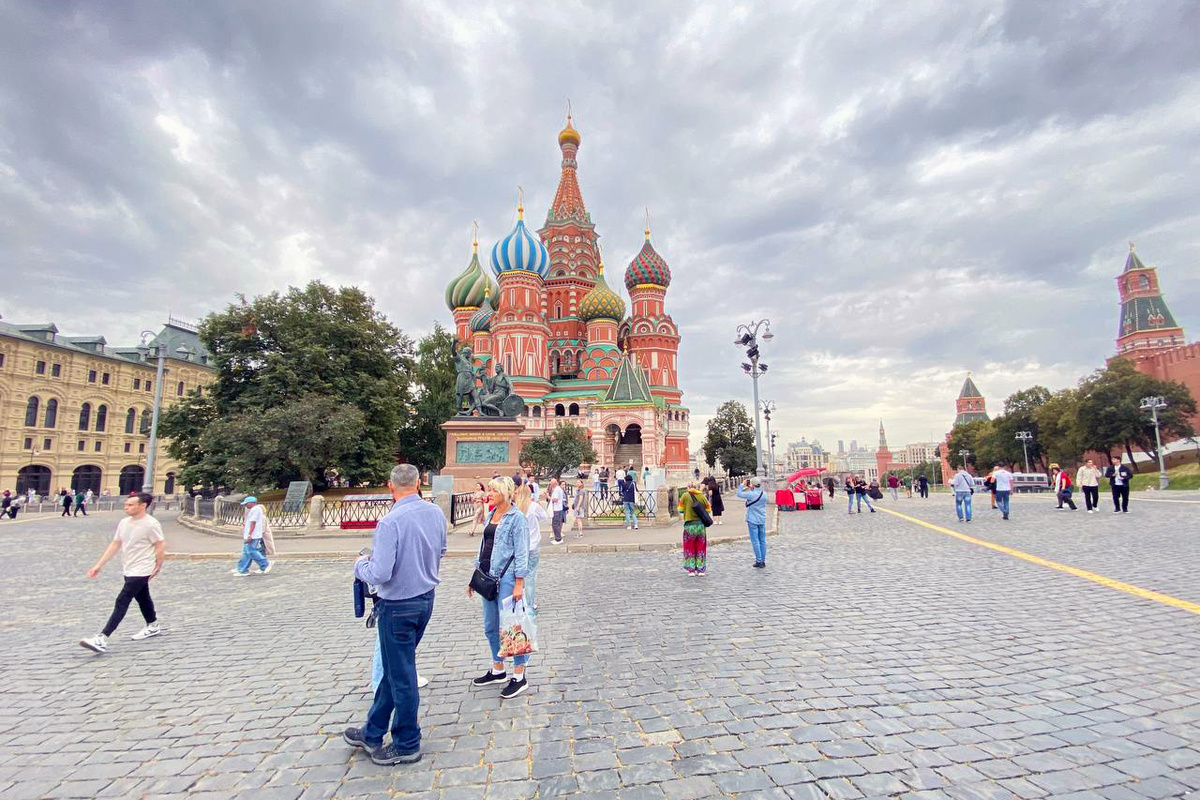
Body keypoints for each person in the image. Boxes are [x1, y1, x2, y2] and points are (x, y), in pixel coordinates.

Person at [343, 464, 446, 766]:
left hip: (397, 606)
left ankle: (407, 742)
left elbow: (380, 572)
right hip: (425, 600)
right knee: (394, 669)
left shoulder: (390, 522)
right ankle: (372, 731)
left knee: (402, 677)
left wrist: (360, 564)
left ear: (391, 486)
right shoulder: (435, 513)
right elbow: (441, 550)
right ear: (418, 484)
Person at [468, 476, 531, 700]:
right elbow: (484, 546)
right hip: (488, 576)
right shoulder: (491, 514)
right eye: (490, 490)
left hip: (507, 579)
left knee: (512, 627)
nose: (490, 494)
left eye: (494, 491)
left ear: (505, 493)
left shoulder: (517, 518)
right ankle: (498, 668)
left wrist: (519, 582)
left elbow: (522, 552)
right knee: (490, 626)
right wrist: (474, 577)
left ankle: (519, 675)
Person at [79, 492, 165, 654]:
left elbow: (160, 545)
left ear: (143, 506)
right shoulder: (124, 523)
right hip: (129, 567)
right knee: (143, 598)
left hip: (143, 568)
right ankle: (153, 625)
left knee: (122, 600)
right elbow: (115, 544)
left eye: (130, 505)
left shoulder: (151, 524)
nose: (126, 507)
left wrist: (158, 565)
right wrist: (99, 565)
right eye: (126, 504)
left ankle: (102, 638)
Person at [514, 484, 546, 612]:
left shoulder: (515, 508)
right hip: (533, 544)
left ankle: (520, 602)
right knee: (531, 575)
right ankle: (530, 604)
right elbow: (544, 517)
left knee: (518, 575)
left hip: (519, 546)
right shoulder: (534, 506)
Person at [678, 481, 712, 576]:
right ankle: (701, 569)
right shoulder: (702, 496)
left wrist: (688, 511)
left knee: (689, 547)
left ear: (688, 487)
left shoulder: (685, 496)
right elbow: (709, 509)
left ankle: (691, 570)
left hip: (689, 526)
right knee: (701, 547)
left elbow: (680, 510)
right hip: (700, 525)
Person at [232, 496, 271, 576]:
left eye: (246, 503)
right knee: (247, 552)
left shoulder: (255, 510)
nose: (245, 505)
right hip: (252, 535)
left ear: (252, 503)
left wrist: (249, 535)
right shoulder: (254, 509)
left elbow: (253, 523)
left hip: (253, 535)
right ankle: (242, 569)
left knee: (250, 551)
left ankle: (264, 563)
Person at [736, 477, 768, 569]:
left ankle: (758, 560)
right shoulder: (764, 494)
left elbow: (739, 493)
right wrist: (751, 488)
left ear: (752, 484)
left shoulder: (751, 494)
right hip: (762, 519)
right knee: (762, 540)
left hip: (752, 519)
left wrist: (742, 484)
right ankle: (763, 560)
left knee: (755, 541)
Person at [548, 478, 565, 544]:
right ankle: (558, 538)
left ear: (553, 484)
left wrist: (548, 497)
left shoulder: (556, 490)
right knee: (557, 524)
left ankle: (558, 539)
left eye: (551, 483)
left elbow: (556, 500)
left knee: (555, 524)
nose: (550, 484)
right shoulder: (558, 489)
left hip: (557, 509)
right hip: (558, 508)